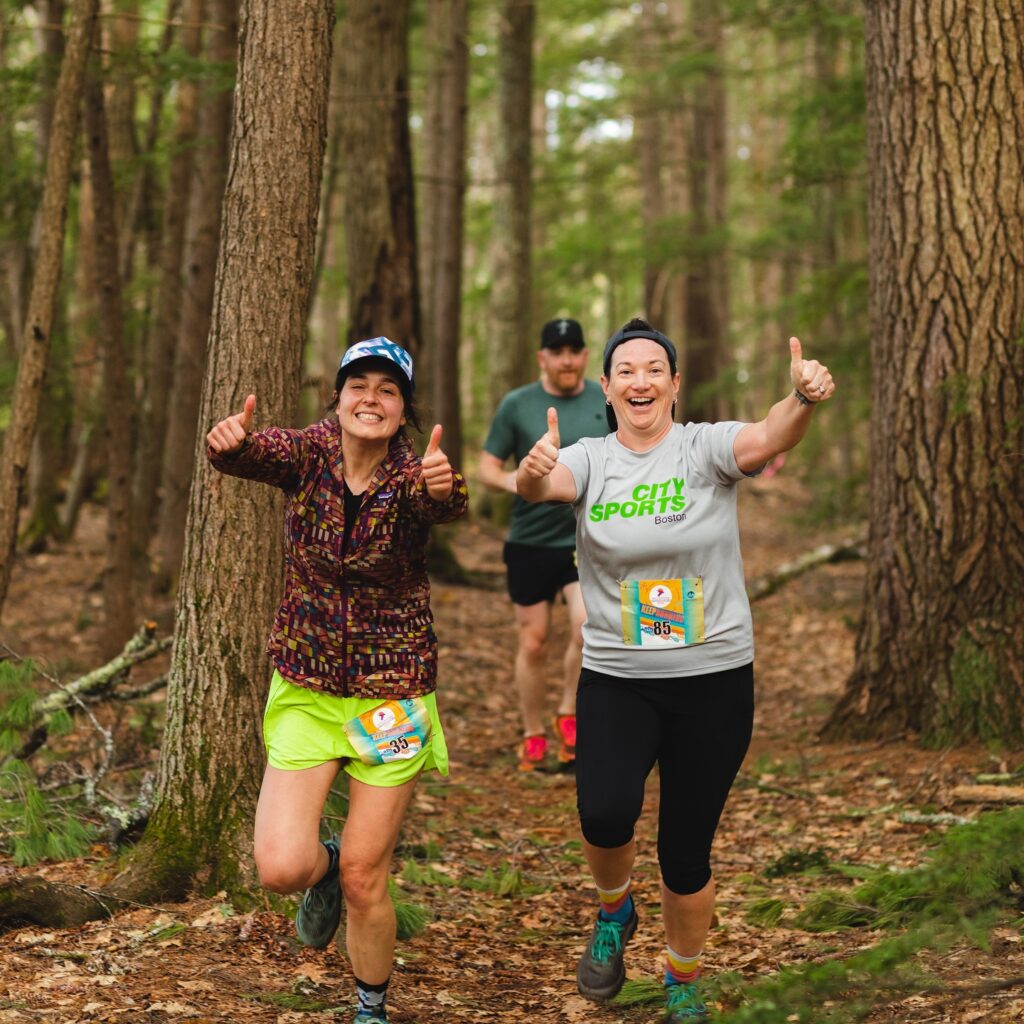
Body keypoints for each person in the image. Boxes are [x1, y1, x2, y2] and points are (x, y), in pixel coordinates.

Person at [517, 318, 835, 1022]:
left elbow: (769, 434)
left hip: (714, 682)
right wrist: (532, 472)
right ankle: (613, 911)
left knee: (686, 852)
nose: (640, 380)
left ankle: (682, 979)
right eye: (625, 369)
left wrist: (803, 399)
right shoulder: (593, 458)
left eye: (653, 368)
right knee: (603, 814)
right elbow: (544, 486)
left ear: (674, 383)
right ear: (606, 386)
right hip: (618, 677)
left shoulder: (703, 447)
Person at [207, 338, 468, 1024]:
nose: (371, 399)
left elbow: (445, 500)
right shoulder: (309, 453)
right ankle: (319, 865)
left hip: (393, 693)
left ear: (404, 409)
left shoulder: (414, 476)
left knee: (364, 874)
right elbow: (246, 454)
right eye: (360, 385)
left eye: (388, 389)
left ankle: (369, 1007)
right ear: (339, 397)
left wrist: (445, 487)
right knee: (280, 868)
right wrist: (228, 441)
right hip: (307, 687)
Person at [479, 318, 607, 771]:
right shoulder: (518, 405)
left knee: (585, 627)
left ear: (586, 356)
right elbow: (486, 467)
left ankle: (568, 713)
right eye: (558, 351)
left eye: (575, 350)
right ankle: (533, 731)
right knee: (533, 643)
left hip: (586, 539)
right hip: (530, 541)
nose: (567, 359)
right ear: (543, 358)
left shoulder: (603, 398)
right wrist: (522, 482)